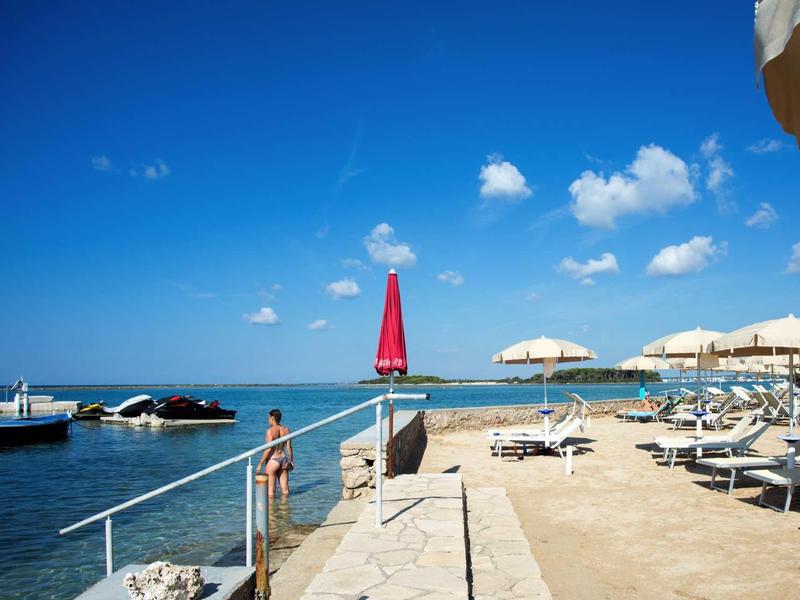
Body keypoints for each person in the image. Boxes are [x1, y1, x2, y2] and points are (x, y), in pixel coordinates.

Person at [257, 409, 294, 497]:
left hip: (273, 460)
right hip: (284, 459)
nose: (268, 420)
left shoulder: (270, 431)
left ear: (272, 418)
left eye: (268, 418)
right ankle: (285, 509)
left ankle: (272, 510)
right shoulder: (286, 430)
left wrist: (260, 463)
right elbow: (289, 447)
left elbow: (268, 449)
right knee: (285, 490)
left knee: (270, 491)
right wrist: (291, 461)